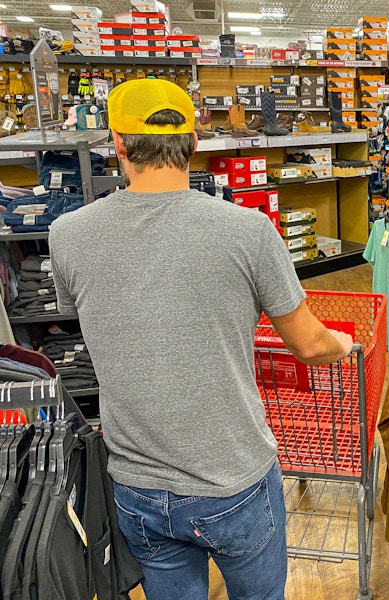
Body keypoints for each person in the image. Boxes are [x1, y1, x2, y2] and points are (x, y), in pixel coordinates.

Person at [49, 78, 354, 600]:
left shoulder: (68, 234)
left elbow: (91, 317)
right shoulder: (249, 230)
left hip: (137, 483)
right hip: (232, 479)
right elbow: (309, 345)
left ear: (117, 144)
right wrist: (344, 346)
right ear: (193, 142)